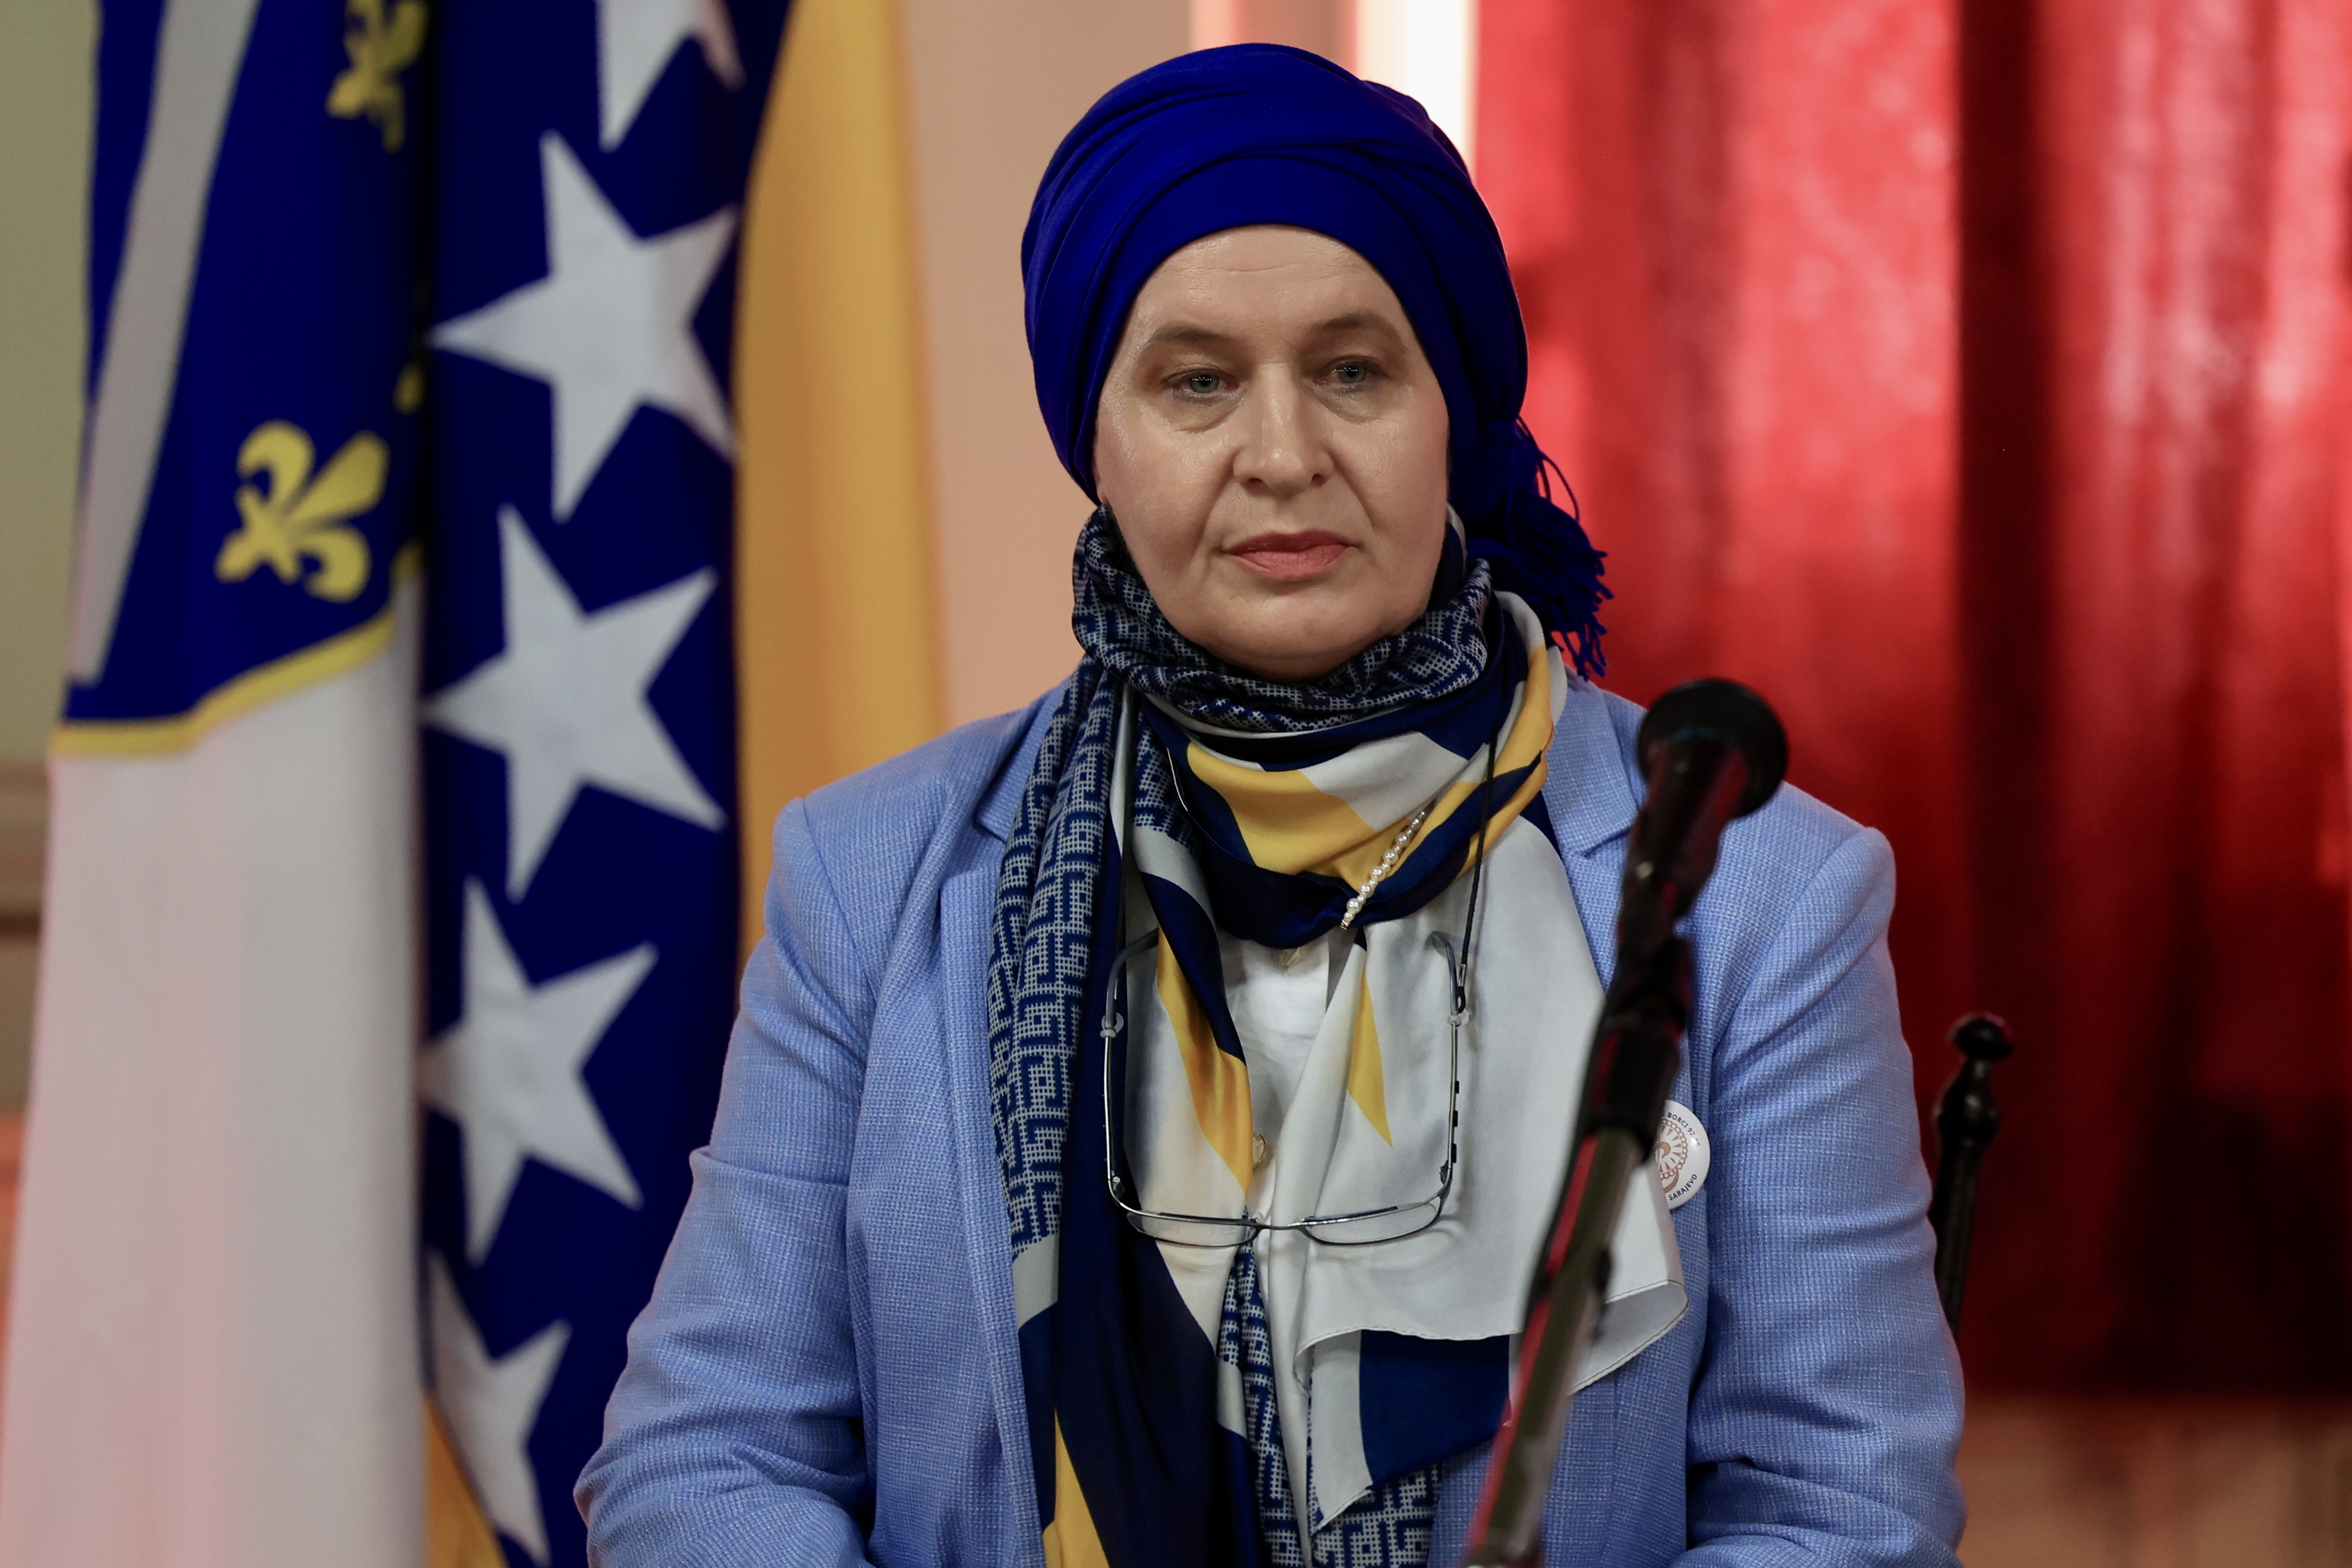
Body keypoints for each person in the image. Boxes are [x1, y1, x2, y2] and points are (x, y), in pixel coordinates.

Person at [577, 44, 1963, 1568]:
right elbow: (706, 1456)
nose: (1283, 455)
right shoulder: (869, 878)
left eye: (1353, 370)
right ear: (1095, 443)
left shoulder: (1762, 896)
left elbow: (1842, 1509)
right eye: (1196, 383)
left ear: (1455, 415)